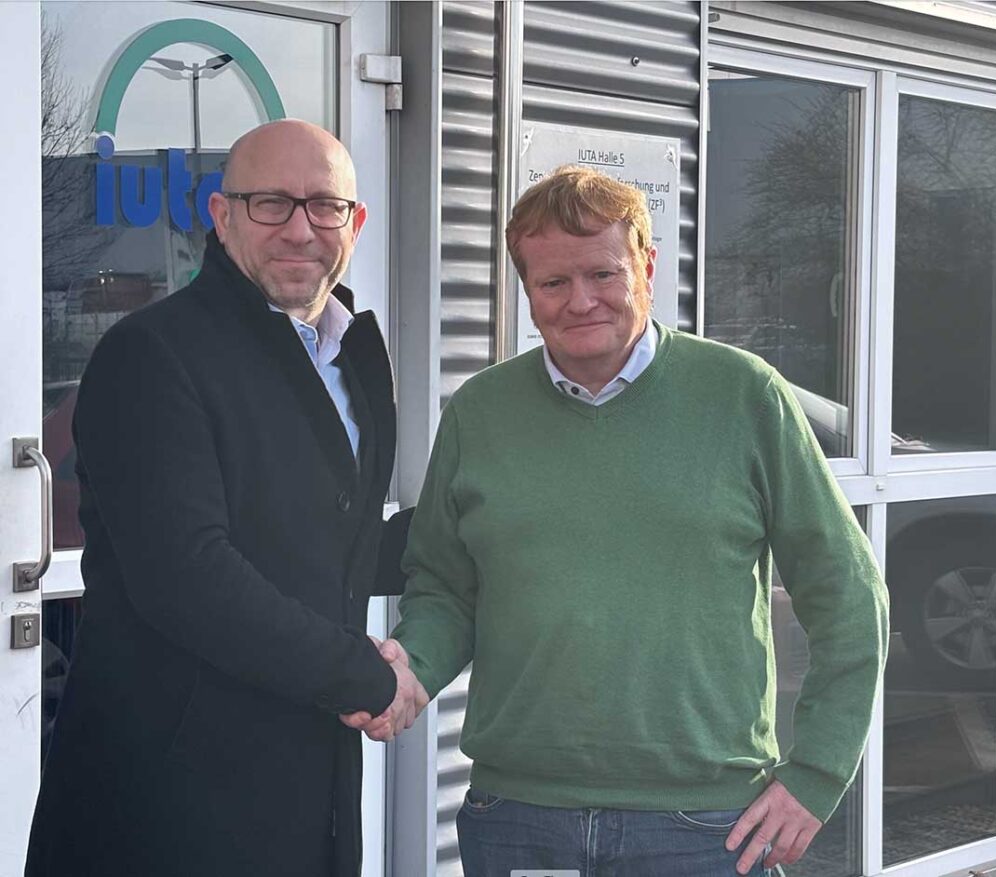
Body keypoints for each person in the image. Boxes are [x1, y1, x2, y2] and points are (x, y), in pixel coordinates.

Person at [348, 166, 889, 875]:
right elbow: (446, 588)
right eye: (552, 283)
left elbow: (849, 597)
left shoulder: (743, 395)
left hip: (706, 824)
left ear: (647, 266)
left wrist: (816, 774)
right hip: (518, 817)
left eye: (603, 274)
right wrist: (412, 669)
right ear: (527, 289)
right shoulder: (480, 413)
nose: (580, 301)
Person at [26, 119, 426, 877]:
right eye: (271, 202)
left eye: (323, 206)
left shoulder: (350, 360)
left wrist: (484, 533)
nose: (299, 228)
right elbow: (187, 575)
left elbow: (327, 542)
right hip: (169, 802)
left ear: (356, 222)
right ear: (222, 214)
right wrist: (366, 676)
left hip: (310, 783)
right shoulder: (154, 355)